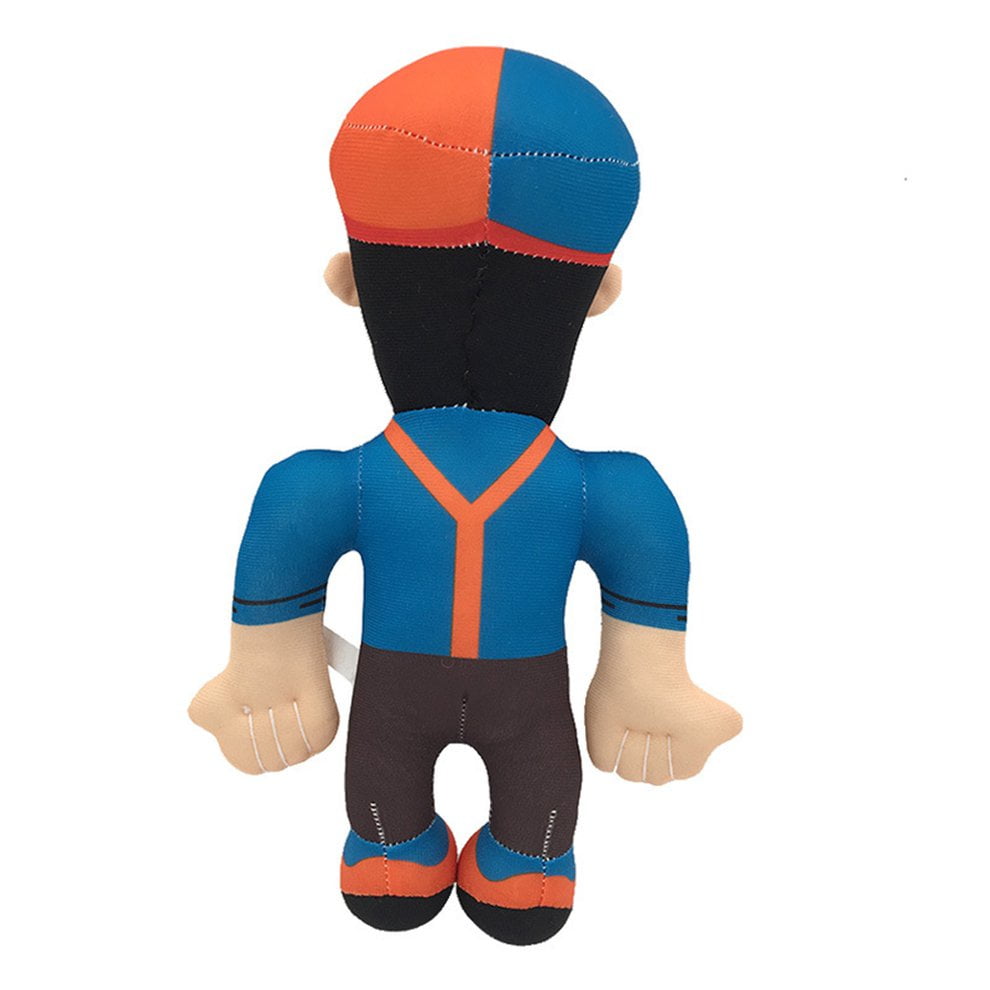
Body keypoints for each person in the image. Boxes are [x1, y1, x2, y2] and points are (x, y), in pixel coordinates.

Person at [189, 46, 741, 946]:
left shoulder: (354, 477)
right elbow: (641, 527)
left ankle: (424, 855)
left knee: (418, 830)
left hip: (400, 690)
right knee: (522, 833)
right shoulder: (584, 484)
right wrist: (647, 675)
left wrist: (271, 660)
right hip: (524, 695)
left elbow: (293, 511)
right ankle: (498, 863)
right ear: (598, 296)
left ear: (349, 284)